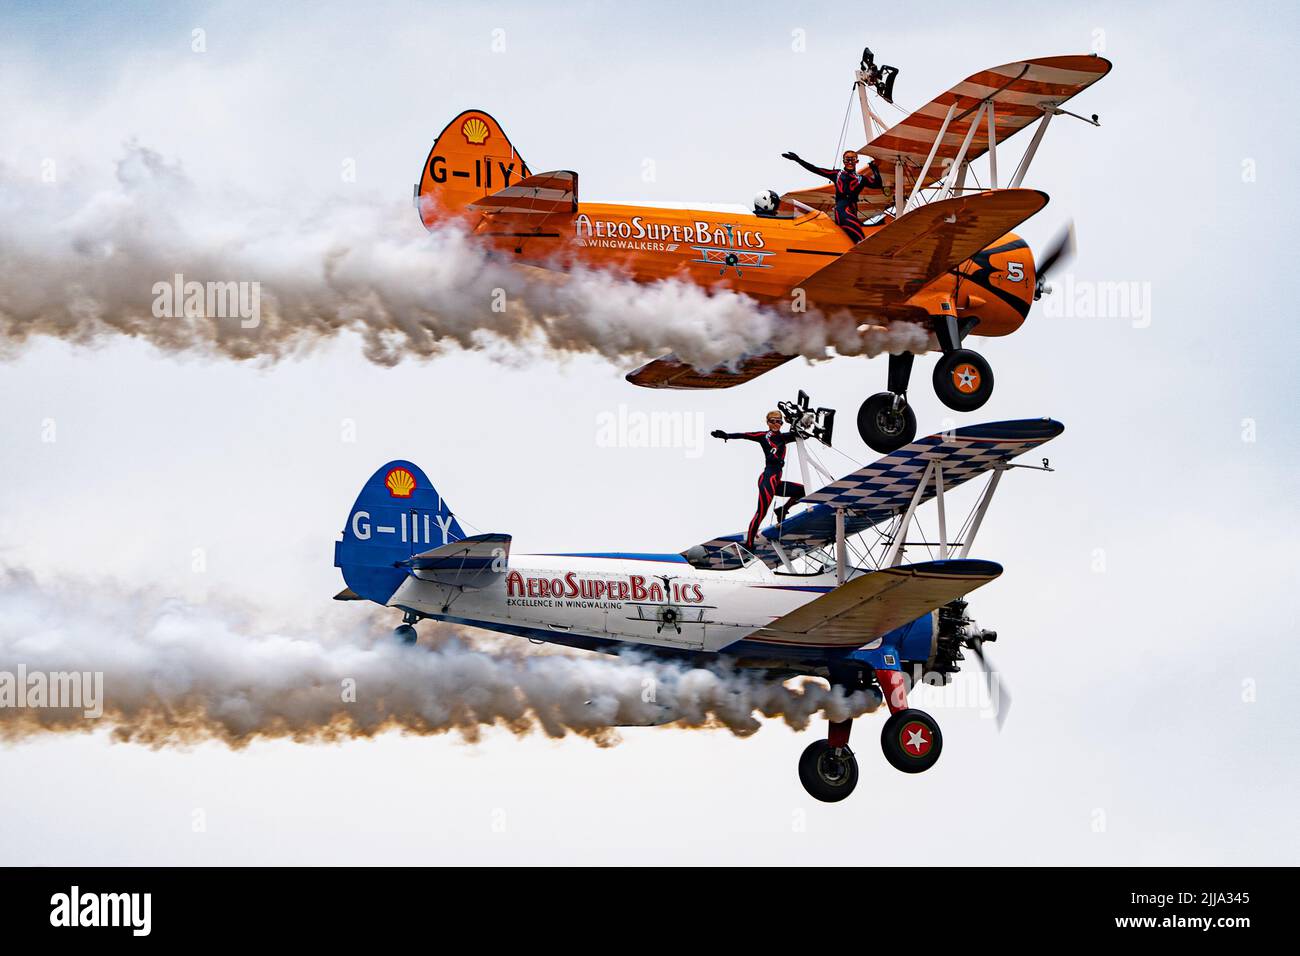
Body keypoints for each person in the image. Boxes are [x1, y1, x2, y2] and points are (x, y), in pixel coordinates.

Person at [711, 412, 806, 551]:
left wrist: (803, 422)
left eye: (779, 421)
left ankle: (782, 510)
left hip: (777, 482)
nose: (776, 424)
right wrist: (727, 435)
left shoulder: (784, 437)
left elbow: (802, 435)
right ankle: (749, 544)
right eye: (773, 421)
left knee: (803, 490)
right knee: (761, 512)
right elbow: (745, 435)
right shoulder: (763, 436)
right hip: (767, 479)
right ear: (767, 422)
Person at [781, 148, 882, 243]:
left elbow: (877, 184)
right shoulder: (837, 174)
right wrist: (798, 160)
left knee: (857, 236)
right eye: (847, 159)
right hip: (842, 210)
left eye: (853, 159)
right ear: (843, 161)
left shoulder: (861, 179)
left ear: (857, 161)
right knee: (859, 236)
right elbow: (815, 169)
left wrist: (874, 169)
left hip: (852, 210)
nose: (850, 162)